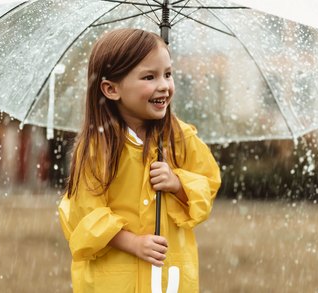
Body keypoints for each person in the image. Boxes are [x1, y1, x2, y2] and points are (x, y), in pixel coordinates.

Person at [58, 28, 221, 293]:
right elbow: (85, 216)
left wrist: (178, 183)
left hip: (168, 278)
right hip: (114, 280)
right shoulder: (97, 149)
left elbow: (209, 183)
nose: (164, 86)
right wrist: (133, 243)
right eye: (149, 76)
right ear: (111, 89)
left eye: (167, 74)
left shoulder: (180, 138)